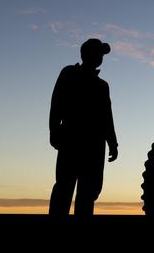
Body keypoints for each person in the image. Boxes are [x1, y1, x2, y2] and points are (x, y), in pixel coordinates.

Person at [48, 38, 119, 216]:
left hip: (94, 144)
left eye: (101, 55)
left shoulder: (102, 86)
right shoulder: (69, 73)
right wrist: (54, 131)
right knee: (64, 187)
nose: (100, 57)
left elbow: (106, 117)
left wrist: (113, 143)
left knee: (88, 192)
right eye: (98, 53)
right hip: (72, 138)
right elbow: (56, 104)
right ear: (87, 54)